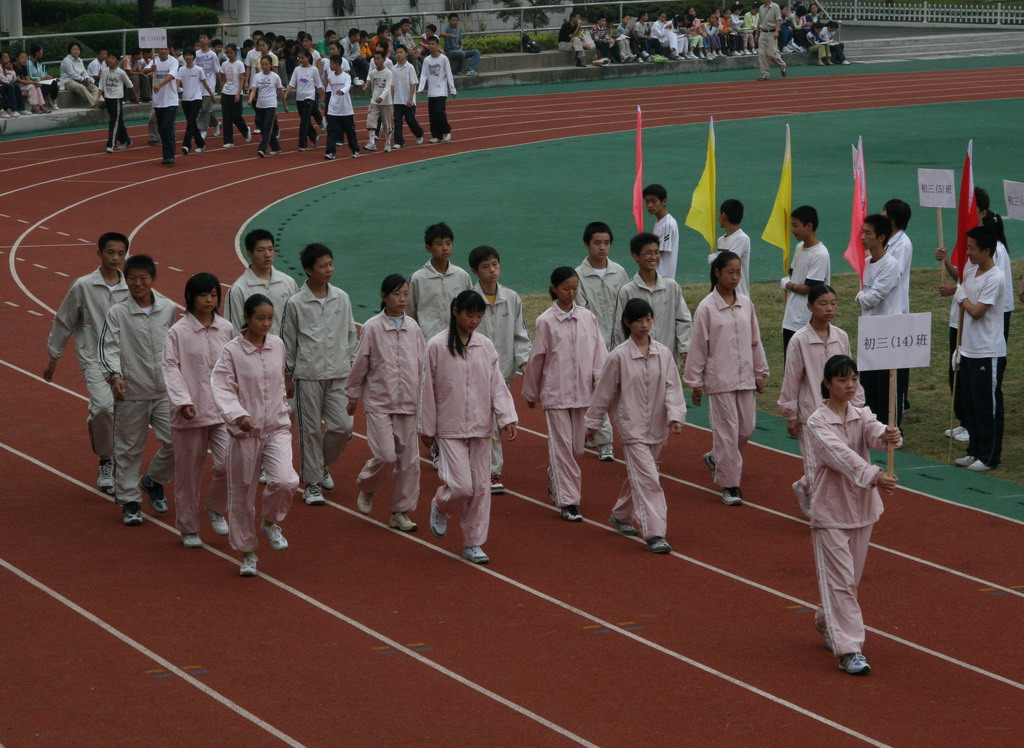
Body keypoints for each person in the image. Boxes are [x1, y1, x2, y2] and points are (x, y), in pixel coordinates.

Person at [805, 354, 901, 676]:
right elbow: (841, 456)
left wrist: (889, 436)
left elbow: (873, 433)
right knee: (842, 582)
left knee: (850, 581)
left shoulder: (861, 414)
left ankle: (825, 618)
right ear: (828, 384)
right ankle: (849, 649)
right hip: (830, 511)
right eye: (843, 380)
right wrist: (875, 475)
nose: (850, 385)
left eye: (854, 379)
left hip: (862, 510)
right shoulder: (817, 423)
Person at [421, 291, 518, 565]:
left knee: (480, 488)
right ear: (455, 312)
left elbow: (497, 385)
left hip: (481, 427)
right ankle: (441, 505)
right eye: (469, 315)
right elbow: (426, 390)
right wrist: (427, 428)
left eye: (478, 315)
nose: (474, 321)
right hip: (450, 429)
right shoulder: (437, 346)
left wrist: (507, 417)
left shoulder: (485, 346)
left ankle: (473, 543)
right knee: (461, 487)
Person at [586, 298, 686, 553]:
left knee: (640, 477)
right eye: (639, 320)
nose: (645, 325)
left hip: (657, 427)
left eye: (648, 319)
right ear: (627, 322)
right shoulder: (619, 356)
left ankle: (620, 515)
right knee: (650, 479)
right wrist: (593, 423)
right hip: (631, 428)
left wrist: (675, 415)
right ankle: (654, 533)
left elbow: (672, 387)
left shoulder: (662, 354)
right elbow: (603, 393)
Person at [211, 294, 299, 577]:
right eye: (260, 318)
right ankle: (247, 552)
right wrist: (238, 415)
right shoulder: (232, 352)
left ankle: (271, 522)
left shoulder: (277, 345)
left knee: (286, 480)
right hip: (245, 434)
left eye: (270, 318)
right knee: (242, 492)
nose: (266, 324)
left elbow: (279, 382)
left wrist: (282, 408)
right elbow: (221, 386)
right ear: (247, 318)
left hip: (276, 427)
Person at [44, 232, 129, 492]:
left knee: (124, 414)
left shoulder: (132, 287)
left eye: (120, 253)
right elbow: (64, 319)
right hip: (92, 357)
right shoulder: (83, 286)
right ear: (99, 253)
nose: (115, 258)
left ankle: (121, 463)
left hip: (125, 360)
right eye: (110, 252)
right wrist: (53, 357)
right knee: (103, 408)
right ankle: (106, 459)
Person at [684, 251, 769, 507]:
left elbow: (755, 340)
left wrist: (759, 372)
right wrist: (695, 382)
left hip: (745, 378)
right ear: (717, 274)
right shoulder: (707, 308)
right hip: (720, 379)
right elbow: (698, 345)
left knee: (746, 429)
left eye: (737, 272)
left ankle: (715, 458)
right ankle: (730, 485)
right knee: (727, 433)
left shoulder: (746, 304)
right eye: (729, 272)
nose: (734, 277)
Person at [97, 254, 177, 526]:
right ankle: (130, 501)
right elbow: (109, 346)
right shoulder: (117, 312)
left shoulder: (167, 309)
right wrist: (115, 375)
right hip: (131, 390)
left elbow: (176, 347)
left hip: (165, 390)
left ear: (153, 280)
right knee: (128, 449)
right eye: (132, 278)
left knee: (179, 441)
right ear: (126, 280)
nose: (137, 283)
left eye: (143, 278)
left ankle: (153, 480)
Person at [523, 267, 608, 521]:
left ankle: (556, 475)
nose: (571, 293)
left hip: (583, 393)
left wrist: (599, 383)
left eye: (574, 288)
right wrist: (531, 392)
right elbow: (537, 357)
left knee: (578, 449)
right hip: (556, 393)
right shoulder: (546, 321)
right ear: (554, 289)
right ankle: (569, 502)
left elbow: (599, 354)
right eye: (566, 288)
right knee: (562, 447)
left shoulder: (588, 318)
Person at [344, 275, 426, 532]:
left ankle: (400, 512)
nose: (402, 299)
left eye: (405, 294)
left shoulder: (413, 328)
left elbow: (423, 366)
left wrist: (427, 400)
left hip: (409, 402)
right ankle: (368, 486)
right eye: (396, 294)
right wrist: (352, 395)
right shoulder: (371, 327)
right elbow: (360, 364)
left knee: (409, 462)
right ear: (383, 296)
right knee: (386, 456)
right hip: (380, 401)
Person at [280, 243, 358, 506]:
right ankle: (312, 483)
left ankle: (320, 465)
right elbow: (288, 341)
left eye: (331, 264)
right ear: (308, 270)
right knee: (310, 430)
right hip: (307, 375)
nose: (329, 270)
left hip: (338, 374)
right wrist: (288, 376)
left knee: (343, 427)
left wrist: (352, 369)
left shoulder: (342, 298)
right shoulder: (296, 303)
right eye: (323, 266)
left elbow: (351, 335)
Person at [162, 273, 235, 548]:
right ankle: (188, 528)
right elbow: (170, 367)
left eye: (214, 295)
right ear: (191, 297)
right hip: (189, 413)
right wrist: (182, 401)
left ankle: (215, 508)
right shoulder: (177, 332)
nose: (209, 300)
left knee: (229, 463)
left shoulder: (226, 329)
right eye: (204, 294)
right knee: (188, 475)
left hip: (221, 412)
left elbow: (232, 366)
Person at [778, 285, 862, 517]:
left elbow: (851, 374)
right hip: (811, 414)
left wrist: (858, 405)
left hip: (839, 412)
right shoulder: (800, 340)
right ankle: (822, 513)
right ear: (810, 307)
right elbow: (792, 377)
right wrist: (791, 414)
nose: (829, 308)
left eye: (833, 303)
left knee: (837, 460)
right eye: (823, 303)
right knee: (815, 464)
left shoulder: (841, 337)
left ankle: (803, 486)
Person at [941, 226, 1006, 472]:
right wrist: (960, 347)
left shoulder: (995, 277)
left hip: (987, 352)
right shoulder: (971, 271)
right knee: (970, 405)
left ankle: (989, 456)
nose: (967, 253)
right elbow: (963, 300)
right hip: (968, 349)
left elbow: (977, 312)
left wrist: (958, 295)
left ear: (986, 250)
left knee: (986, 406)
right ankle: (974, 451)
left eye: (972, 248)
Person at [468, 245, 531, 493]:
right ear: (475, 271)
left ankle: (490, 471)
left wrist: (525, 364)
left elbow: (521, 334)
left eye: (495, 264)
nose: (492, 270)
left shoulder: (511, 298)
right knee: (482, 421)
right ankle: (489, 469)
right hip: (473, 375)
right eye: (486, 266)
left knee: (493, 420)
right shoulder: (468, 300)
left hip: (502, 373)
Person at [854, 214, 903, 429]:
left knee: (888, 385)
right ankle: (873, 429)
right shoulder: (865, 263)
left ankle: (891, 428)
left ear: (881, 237)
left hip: (888, 332)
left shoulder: (890, 265)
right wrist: (864, 298)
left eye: (868, 233)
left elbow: (872, 298)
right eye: (862, 232)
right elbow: (869, 298)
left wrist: (858, 297)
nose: (862, 237)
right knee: (869, 385)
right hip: (870, 330)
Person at [611, 232, 692, 362]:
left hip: (667, 357)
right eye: (648, 253)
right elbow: (619, 328)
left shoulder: (671, 286)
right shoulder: (627, 291)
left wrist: (685, 347)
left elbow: (683, 319)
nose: (653, 257)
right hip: (636, 359)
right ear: (636, 256)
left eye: (657, 252)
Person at [408, 222, 473, 341]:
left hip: (457, 341)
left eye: (448, 243)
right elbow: (409, 315)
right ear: (428, 248)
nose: (445, 248)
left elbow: (471, 309)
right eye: (439, 244)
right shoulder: (418, 279)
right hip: (427, 342)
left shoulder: (462, 276)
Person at [226, 229, 298, 337]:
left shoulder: (288, 283)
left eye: (270, 249)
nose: (267, 254)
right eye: (261, 250)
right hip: (253, 351)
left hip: (283, 351)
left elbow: (296, 320)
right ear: (249, 254)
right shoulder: (238, 289)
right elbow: (235, 329)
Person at [781, 205, 831, 356]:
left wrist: (788, 284)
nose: (792, 230)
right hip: (791, 319)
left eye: (796, 226)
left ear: (809, 226)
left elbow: (810, 288)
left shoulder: (820, 254)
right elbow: (793, 272)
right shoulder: (799, 248)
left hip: (807, 320)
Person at [882, 198, 913, 412]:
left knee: (898, 358)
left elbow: (894, 274)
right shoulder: (888, 240)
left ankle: (900, 399)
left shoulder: (902, 244)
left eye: (884, 215)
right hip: (885, 307)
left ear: (892, 219)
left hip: (897, 308)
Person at [173, 48, 216, 156]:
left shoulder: (198, 70)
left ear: (193, 57)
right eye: (186, 55)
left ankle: (186, 145)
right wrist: (174, 92)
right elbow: (178, 83)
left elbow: (205, 83)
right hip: (186, 99)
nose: (188, 57)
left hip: (196, 99)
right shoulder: (181, 70)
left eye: (190, 55)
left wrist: (212, 95)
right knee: (192, 123)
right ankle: (201, 144)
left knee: (191, 121)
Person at [417, 36, 456, 144]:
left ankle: (446, 131)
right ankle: (436, 135)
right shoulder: (427, 60)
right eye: (429, 44)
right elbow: (424, 75)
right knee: (432, 115)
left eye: (433, 44)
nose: (431, 46)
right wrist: (420, 89)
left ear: (437, 45)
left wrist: (452, 89)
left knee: (440, 112)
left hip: (441, 91)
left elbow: (449, 74)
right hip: (431, 92)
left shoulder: (444, 59)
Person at [709, 199, 751, 297]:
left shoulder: (742, 239)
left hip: (739, 295)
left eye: (719, 214)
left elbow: (728, 262)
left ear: (723, 216)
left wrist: (712, 259)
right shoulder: (720, 240)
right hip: (722, 293)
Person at [248, 54, 286, 157]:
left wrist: (285, 105)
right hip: (260, 104)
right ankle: (276, 147)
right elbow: (254, 90)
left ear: (271, 65)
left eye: (266, 64)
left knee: (267, 126)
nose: (264, 66)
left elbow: (281, 92)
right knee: (261, 125)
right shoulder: (257, 76)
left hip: (271, 104)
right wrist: (251, 98)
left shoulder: (275, 77)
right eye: (262, 64)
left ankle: (262, 149)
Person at [98, 52, 138, 153]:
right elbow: (101, 86)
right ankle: (126, 140)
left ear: (117, 60)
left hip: (117, 99)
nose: (110, 60)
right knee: (118, 121)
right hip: (107, 99)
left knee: (114, 122)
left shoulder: (121, 73)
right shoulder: (104, 72)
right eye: (109, 57)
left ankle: (111, 145)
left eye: (113, 58)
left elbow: (130, 85)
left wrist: (136, 98)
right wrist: (97, 98)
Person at [286, 48, 324, 151]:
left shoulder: (313, 70)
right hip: (299, 98)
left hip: (309, 97)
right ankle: (314, 136)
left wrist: (321, 100)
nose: (300, 60)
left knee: (303, 122)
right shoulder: (297, 69)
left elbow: (319, 85)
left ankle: (302, 144)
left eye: (302, 58)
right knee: (306, 121)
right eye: (299, 58)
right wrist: (285, 94)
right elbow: (291, 83)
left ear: (308, 57)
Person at [323, 54, 360, 160]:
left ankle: (355, 150)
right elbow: (328, 88)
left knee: (350, 131)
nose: (330, 66)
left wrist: (342, 91)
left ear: (338, 64)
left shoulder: (346, 76)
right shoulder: (330, 77)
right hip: (333, 109)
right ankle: (330, 152)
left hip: (346, 110)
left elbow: (347, 86)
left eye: (332, 64)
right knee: (332, 132)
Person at [148, 47, 180, 165]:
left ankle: (170, 155)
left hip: (170, 100)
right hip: (158, 101)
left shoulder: (173, 61)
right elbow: (145, 71)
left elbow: (172, 75)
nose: (163, 51)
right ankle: (166, 155)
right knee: (162, 128)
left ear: (169, 50)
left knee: (167, 126)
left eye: (165, 49)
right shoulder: (154, 61)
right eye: (160, 49)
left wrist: (159, 85)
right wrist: (150, 69)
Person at [643, 184, 680, 280]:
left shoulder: (667, 224)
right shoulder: (659, 221)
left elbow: (658, 252)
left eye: (653, 201)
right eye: (647, 202)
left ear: (664, 201)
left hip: (663, 278)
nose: (649, 205)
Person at [392, 45, 424, 148]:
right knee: (397, 121)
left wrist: (411, 98)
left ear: (406, 53)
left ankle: (419, 133)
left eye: (401, 52)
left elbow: (413, 83)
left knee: (410, 119)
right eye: (397, 53)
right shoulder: (393, 68)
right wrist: (391, 99)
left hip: (407, 100)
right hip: (397, 100)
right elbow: (392, 85)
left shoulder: (410, 67)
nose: (399, 55)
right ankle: (399, 141)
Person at [218, 44, 251, 147]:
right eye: (227, 52)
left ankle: (245, 130)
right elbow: (223, 79)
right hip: (226, 93)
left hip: (236, 93)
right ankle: (228, 141)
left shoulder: (239, 64)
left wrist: (238, 93)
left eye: (231, 52)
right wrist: (222, 92)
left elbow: (242, 79)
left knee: (236, 117)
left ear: (235, 53)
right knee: (226, 118)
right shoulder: (224, 64)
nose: (229, 55)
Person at [363, 49, 395, 152]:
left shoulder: (388, 73)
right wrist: (374, 96)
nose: (376, 61)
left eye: (378, 59)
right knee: (371, 121)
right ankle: (372, 143)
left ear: (384, 59)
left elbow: (387, 87)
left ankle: (388, 143)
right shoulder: (373, 73)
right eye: (374, 59)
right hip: (375, 101)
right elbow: (374, 87)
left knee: (387, 124)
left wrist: (381, 97)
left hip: (386, 102)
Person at [194, 33, 222, 137]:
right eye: (200, 38)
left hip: (209, 84)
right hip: (198, 85)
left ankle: (202, 129)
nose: (202, 40)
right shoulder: (196, 54)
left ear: (209, 40)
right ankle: (216, 124)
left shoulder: (212, 55)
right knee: (206, 109)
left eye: (204, 38)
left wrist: (220, 86)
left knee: (205, 108)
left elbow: (217, 71)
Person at [60, 42, 102, 107]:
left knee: (93, 87)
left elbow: (84, 72)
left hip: (79, 80)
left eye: (78, 50)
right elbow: (72, 74)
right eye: (73, 49)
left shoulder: (80, 60)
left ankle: (102, 102)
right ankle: (95, 103)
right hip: (68, 81)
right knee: (81, 87)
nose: (76, 51)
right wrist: (83, 79)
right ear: (70, 50)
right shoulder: (67, 61)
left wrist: (87, 78)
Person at [756, 0, 787, 81]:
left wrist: (777, 31)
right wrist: (756, 34)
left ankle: (782, 64)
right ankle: (765, 74)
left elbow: (778, 20)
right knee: (761, 54)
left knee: (771, 54)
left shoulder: (775, 6)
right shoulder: (761, 8)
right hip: (763, 32)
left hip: (772, 32)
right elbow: (759, 21)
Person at [28, 44, 61, 110]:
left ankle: (53, 102)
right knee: (48, 85)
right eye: (41, 50)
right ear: (37, 52)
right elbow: (30, 76)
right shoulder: (28, 62)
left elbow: (41, 73)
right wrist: (42, 78)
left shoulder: (38, 62)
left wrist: (47, 76)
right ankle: (40, 103)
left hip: (40, 80)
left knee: (54, 82)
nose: (42, 52)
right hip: (33, 81)